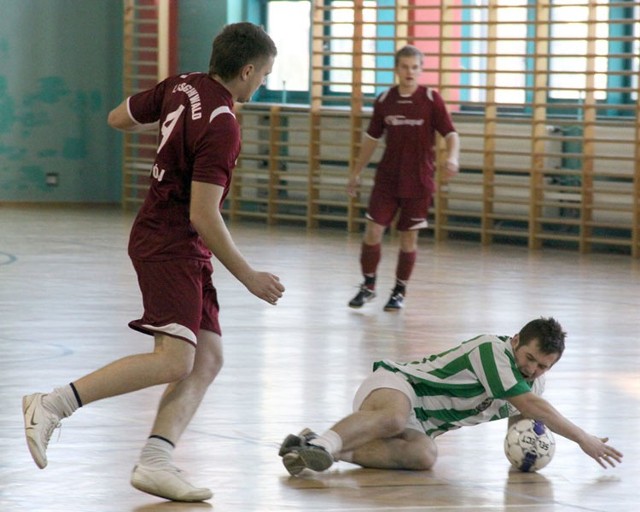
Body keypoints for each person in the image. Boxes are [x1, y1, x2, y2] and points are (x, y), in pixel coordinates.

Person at [22, 22, 284, 502]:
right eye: (264, 74)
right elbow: (203, 214)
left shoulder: (182, 84)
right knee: (174, 359)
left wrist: (173, 129)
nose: (261, 83)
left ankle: (156, 461)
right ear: (247, 70)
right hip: (170, 242)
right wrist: (249, 276)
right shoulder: (224, 125)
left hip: (173, 240)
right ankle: (52, 404)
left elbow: (117, 119)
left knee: (206, 359)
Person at [279, 317, 623, 475]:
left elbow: (523, 420)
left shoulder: (532, 386)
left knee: (425, 456)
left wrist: (527, 457)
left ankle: (313, 447)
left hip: (423, 426)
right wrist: (582, 438)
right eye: (530, 359)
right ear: (516, 340)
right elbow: (530, 406)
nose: (532, 370)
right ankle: (326, 443)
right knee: (394, 418)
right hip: (399, 386)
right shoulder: (492, 350)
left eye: (543, 367)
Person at [347, 45, 460, 311]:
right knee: (373, 231)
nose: (410, 72)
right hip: (387, 179)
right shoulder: (385, 99)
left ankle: (399, 290)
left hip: (419, 181)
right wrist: (355, 172)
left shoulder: (431, 99)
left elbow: (451, 133)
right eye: (405, 67)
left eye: (415, 67)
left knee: (408, 239)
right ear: (396, 69)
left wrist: (453, 157)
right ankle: (368, 285)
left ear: (421, 70)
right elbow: (371, 139)